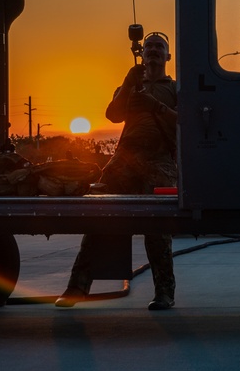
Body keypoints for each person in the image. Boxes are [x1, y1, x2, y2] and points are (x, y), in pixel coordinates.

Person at [55, 32, 178, 310]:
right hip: (125, 157)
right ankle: (77, 287)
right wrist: (128, 81)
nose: (154, 51)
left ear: (168, 56)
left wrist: (156, 106)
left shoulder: (175, 88)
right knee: (97, 216)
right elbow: (113, 115)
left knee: (158, 226)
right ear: (142, 54)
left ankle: (164, 292)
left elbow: (185, 123)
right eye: (149, 47)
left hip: (159, 159)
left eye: (160, 47)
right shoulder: (130, 85)